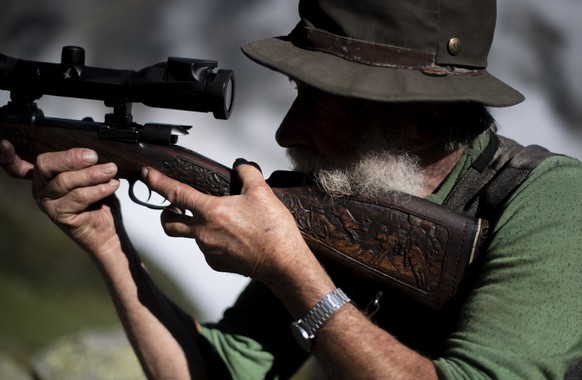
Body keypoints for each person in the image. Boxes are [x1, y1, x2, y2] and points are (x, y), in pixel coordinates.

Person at [2, 0, 582, 378]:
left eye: (321, 105)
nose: (286, 130)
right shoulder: (340, 198)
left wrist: (289, 269)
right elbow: (214, 371)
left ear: (421, 124)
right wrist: (107, 242)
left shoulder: (556, 205)